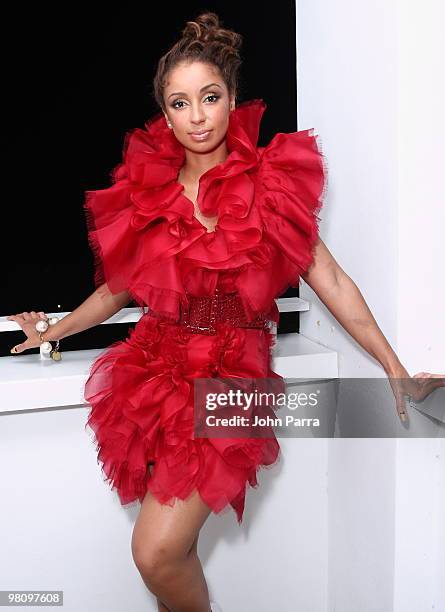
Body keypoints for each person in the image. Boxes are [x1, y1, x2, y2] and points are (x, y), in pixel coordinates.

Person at [6, 11, 444, 612]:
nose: (196, 117)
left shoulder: (272, 187)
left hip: (235, 380)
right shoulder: (150, 195)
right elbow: (117, 290)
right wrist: (51, 331)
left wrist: (393, 363)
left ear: (231, 100)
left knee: (155, 553)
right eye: (180, 104)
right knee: (174, 559)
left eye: (209, 98)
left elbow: (333, 281)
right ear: (165, 114)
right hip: (156, 372)